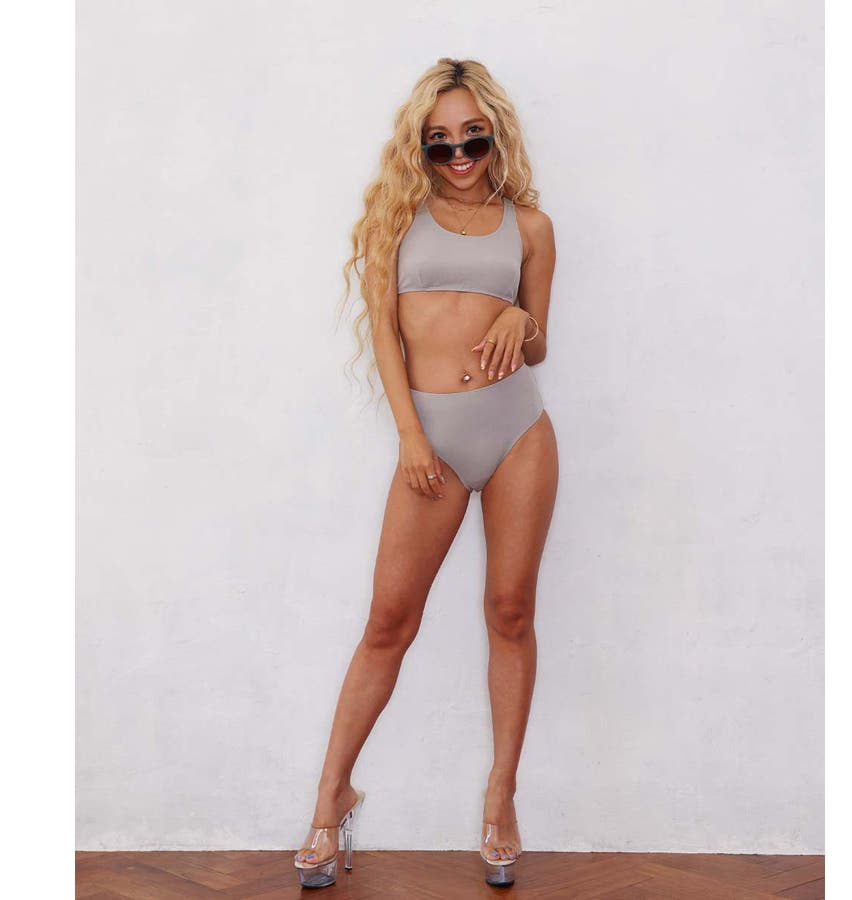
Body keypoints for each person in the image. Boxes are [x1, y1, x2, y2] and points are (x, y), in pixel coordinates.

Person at [294, 57, 559, 889]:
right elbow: (384, 333)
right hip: (430, 444)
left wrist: (520, 318)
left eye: (473, 138)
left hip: (518, 432)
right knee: (388, 623)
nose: (459, 155)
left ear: (495, 136)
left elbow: (538, 344)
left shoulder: (531, 226)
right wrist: (411, 436)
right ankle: (331, 799)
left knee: (510, 612)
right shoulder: (396, 219)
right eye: (439, 141)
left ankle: (501, 797)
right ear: (419, 146)